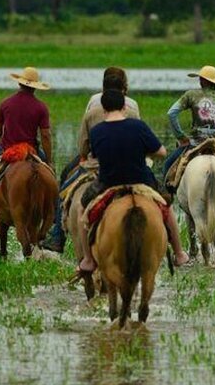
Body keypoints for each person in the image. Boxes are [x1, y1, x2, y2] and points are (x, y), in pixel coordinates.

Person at [77, 88, 189, 274]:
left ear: (103, 108)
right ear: (124, 107)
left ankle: (88, 259)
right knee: (165, 206)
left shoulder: (97, 131)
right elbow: (161, 153)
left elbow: (95, 155)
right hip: (140, 181)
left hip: (107, 182)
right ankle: (178, 253)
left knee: (82, 208)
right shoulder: (139, 127)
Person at [41, 67, 140, 253]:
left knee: (64, 193)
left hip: (96, 163)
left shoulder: (94, 102)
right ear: (124, 87)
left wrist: (84, 156)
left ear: (103, 86)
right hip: (129, 164)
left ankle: (57, 237)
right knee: (159, 197)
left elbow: (84, 144)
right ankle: (167, 242)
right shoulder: (133, 106)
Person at [162, 65, 215, 223]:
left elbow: (171, 113)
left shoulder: (191, 95)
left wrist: (181, 136)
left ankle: (166, 203)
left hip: (194, 144)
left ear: (202, 80)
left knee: (167, 166)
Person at [0, 67, 52, 189]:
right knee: (52, 177)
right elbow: (46, 135)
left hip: (6, 148)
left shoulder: (5, 103)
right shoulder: (41, 107)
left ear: (19, 83)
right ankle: (57, 208)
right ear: (35, 87)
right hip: (30, 150)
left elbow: (0, 130)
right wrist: (49, 161)